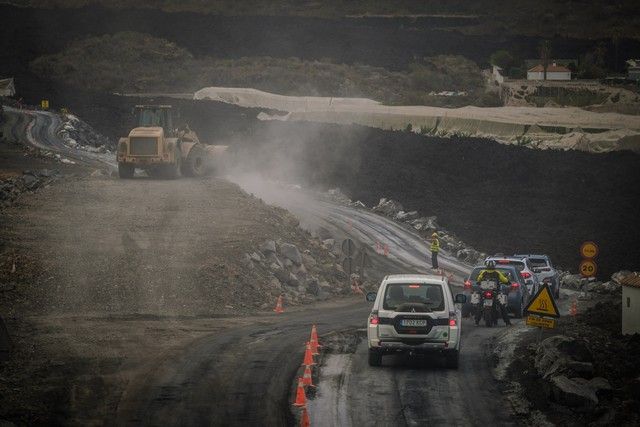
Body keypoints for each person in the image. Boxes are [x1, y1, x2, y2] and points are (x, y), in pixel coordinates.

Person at [474, 260, 512, 326]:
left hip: (484, 292)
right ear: (494, 266)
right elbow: (504, 280)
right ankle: (507, 322)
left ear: (486, 266)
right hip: (495, 292)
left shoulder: (483, 272)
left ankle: (477, 322)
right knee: (502, 306)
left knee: (479, 306)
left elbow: (478, 280)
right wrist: (507, 282)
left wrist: (479, 282)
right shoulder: (497, 272)